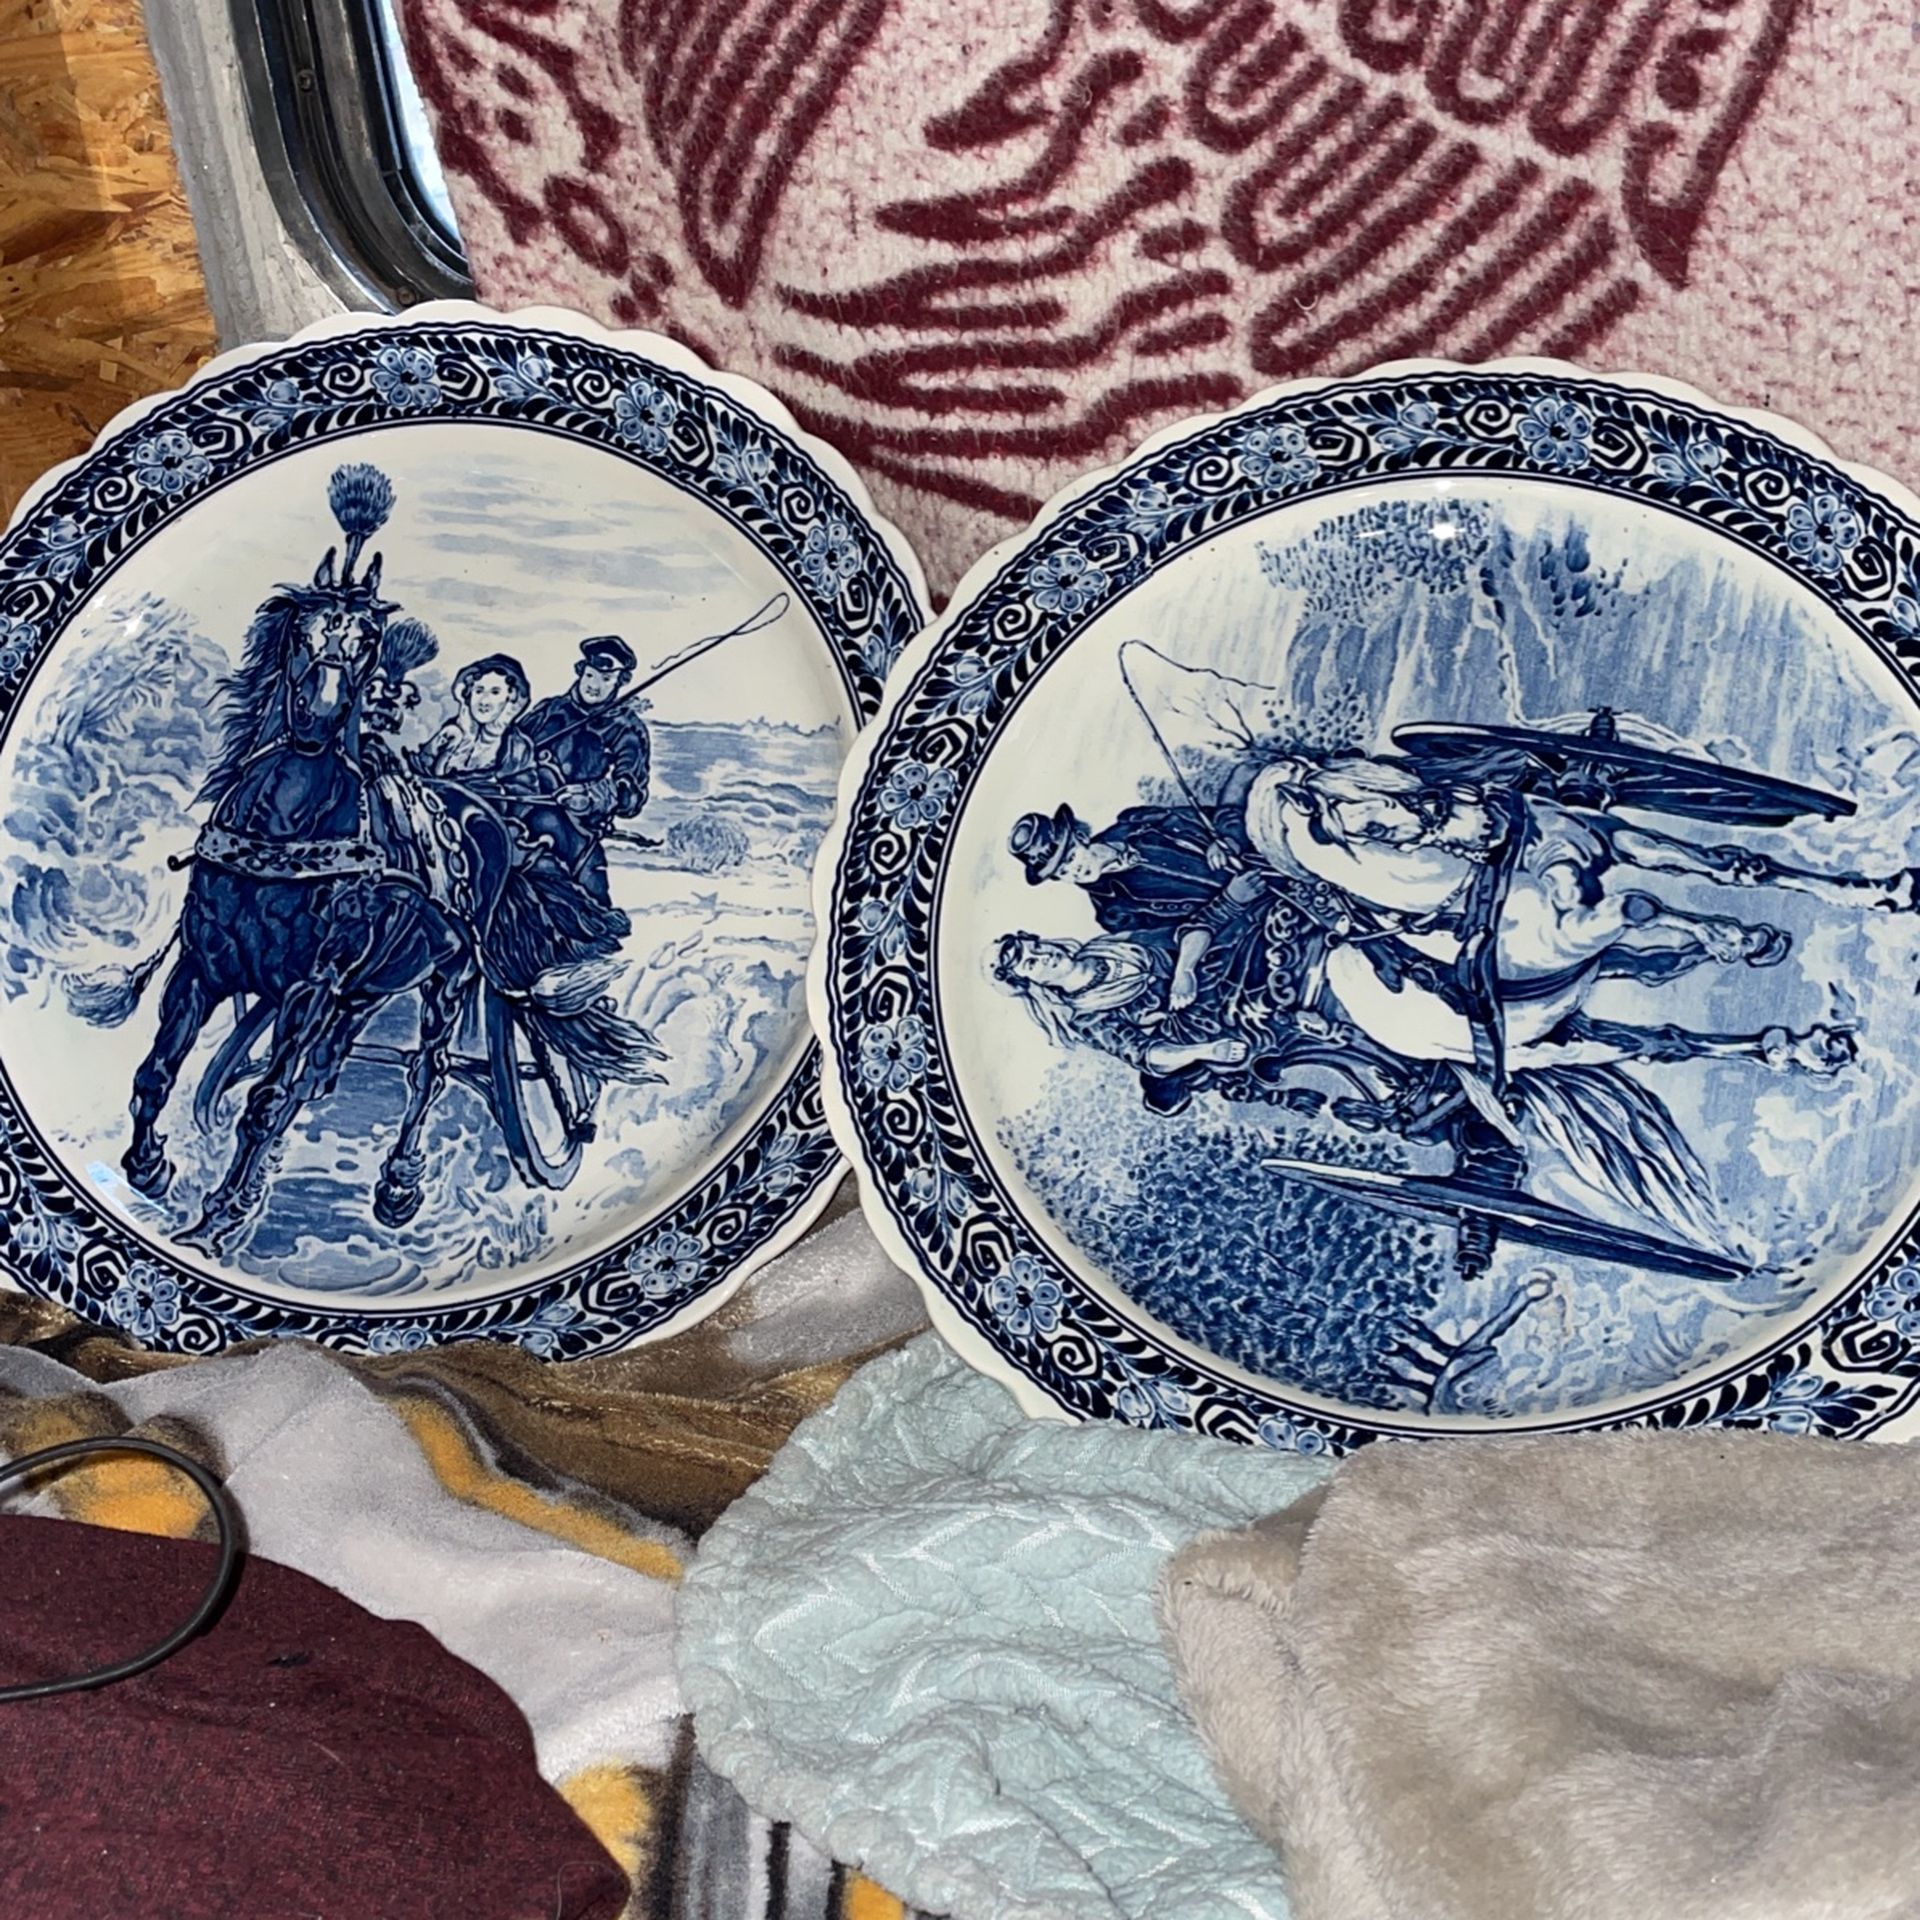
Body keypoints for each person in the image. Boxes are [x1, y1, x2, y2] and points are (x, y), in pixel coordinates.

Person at [1008, 801, 1274, 1016]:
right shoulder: (1115, 913)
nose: (1074, 871)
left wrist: (1227, 840)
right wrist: (1230, 902)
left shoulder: (1140, 824)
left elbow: (1219, 817)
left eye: (1070, 857)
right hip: (1254, 926)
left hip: (1267, 860)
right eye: (1062, 872)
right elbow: (1179, 937)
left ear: (1080, 837)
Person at [509, 635, 653, 907]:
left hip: (576, 836)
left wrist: (592, 796)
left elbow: (631, 796)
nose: (594, 685)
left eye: (605, 679)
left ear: (620, 682)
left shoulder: (626, 728)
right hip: (517, 819)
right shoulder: (549, 710)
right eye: (589, 675)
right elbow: (507, 750)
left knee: (595, 914)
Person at [411, 654, 533, 780]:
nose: (484, 701)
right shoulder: (451, 733)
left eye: (495, 692)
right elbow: (418, 770)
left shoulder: (516, 747)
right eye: (479, 691)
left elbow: (523, 787)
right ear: (468, 694)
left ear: (511, 697)